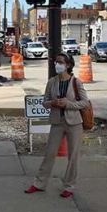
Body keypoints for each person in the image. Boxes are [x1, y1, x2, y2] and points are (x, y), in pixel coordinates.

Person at [24, 53, 89, 198]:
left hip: (74, 123)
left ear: (68, 65)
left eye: (60, 62)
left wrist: (68, 104)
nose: (57, 65)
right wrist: (52, 103)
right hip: (57, 122)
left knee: (73, 156)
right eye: (56, 62)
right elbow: (44, 101)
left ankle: (69, 186)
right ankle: (39, 183)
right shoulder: (52, 82)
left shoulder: (76, 82)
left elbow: (85, 103)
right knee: (49, 153)